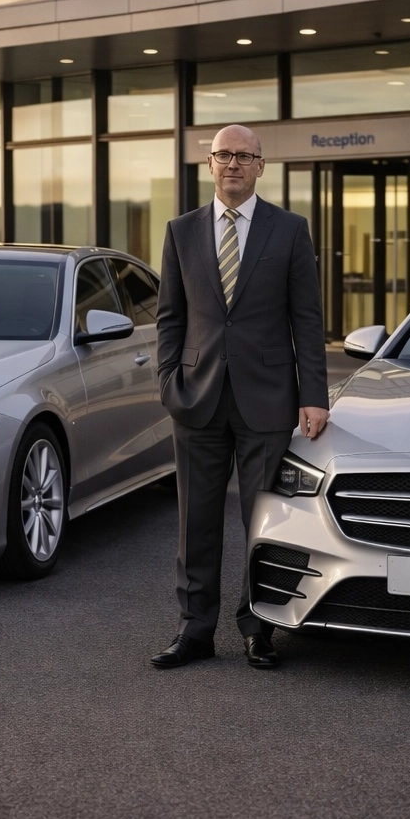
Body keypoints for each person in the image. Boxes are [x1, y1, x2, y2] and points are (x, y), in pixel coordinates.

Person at [150, 125, 329, 670]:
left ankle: (260, 627)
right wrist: (167, 382)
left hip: (269, 399)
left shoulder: (290, 230)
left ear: (261, 165)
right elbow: (170, 318)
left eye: (243, 156)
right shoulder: (181, 231)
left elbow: (307, 317)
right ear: (209, 164)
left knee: (264, 521)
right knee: (196, 521)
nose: (233, 164)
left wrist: (314, 394)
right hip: (197, 398)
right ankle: (195, 630)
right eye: (223, 155)